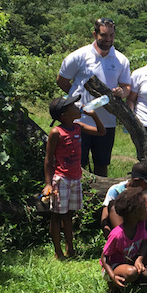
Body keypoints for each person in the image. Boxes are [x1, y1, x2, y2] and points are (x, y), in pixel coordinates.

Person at [57, 18, 131, 177]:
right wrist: (75, 98)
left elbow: (127, 87)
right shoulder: (79, 56)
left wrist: (121, 92)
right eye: (104, 35)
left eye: (111, 35)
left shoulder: (121, 60)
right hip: (79, 120)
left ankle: (99, 198)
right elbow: (62, 80)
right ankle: (80, 193)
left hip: (107, 121)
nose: (108, 40)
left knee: (102, 163)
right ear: (94, 33)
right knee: (77, 162)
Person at [44, 94, 105, 260]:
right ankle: (58, 251)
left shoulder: (78, 126)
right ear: (64, 115)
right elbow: (49, 160)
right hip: (61, 179)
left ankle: (70, 248)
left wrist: (94, 114)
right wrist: (48, 184)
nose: (77, 106)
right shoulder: (56, 132)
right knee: (57, 215)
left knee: (69, 214)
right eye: (72, 106)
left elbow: (101, 131)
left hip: (75, 178)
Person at [100, 188, 147, 293]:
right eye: (144, 207)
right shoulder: (117, 235)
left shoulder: (140, 224)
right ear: (134, 212)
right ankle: (114, 288)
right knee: (132, 272)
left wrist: (139, 259)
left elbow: (143, 243)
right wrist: (113, 276)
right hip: (115, 265)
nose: (146, 210)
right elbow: (104, 258)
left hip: (132, 259)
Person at [99, 162, 147, 238]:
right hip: (120, 228)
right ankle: (124, 239)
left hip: (141, 228)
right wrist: (109, 235)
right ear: (136, 181)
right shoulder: (116, 190)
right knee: (113, 206)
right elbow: (105, 216)